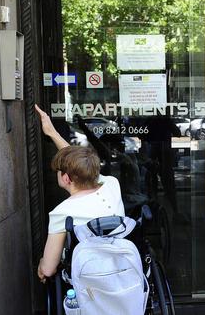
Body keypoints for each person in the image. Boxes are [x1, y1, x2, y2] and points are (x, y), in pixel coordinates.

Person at [35, 104, 125, 283]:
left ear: (66, 178)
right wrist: (53, 133)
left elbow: (49, 268)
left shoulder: (62, 212)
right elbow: (81, 166)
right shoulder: (112, 185)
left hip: (88, 281)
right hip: (121, 269)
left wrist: (41, 265)